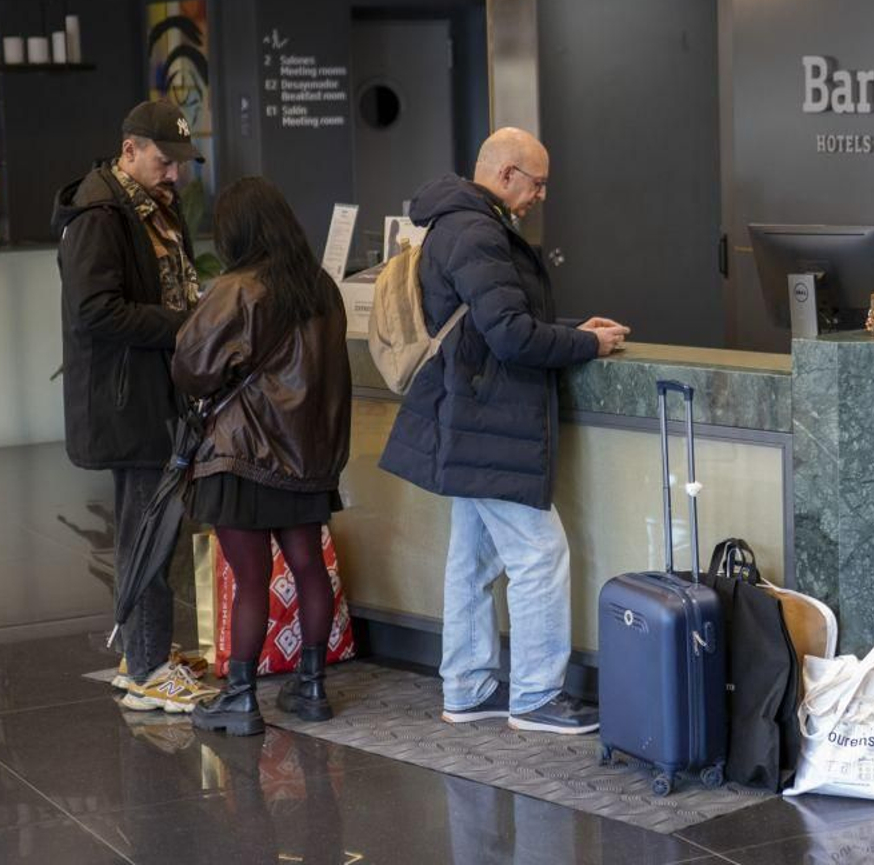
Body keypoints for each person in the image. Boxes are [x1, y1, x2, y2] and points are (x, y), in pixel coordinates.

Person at [379, 127, 629, 735]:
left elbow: (493, 320)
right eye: (538, 182)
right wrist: (585, 344)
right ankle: (539, 696)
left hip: (467, 418)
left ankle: (467, 686)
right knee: (540, 553)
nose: (542, 195)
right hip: (489, 420)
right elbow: (512, 338)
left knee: (473, 558)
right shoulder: (478, 231)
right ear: (507, 173)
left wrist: (571, 328)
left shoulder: (458, 224)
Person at [53, 100, 216, 713]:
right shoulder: (100, 217)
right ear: (128, 151)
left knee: (148, 528)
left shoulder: (150, 208)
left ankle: (145, 654)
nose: (175, 174)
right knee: (150, 532)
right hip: (129, 399)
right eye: (164, 160)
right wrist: (182, 325)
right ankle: (148, 668)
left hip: (154, 391)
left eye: (181, 163)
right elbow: (95, 310)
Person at [174, 177, 352, 737]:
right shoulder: (322, 288)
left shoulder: (236, 289)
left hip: (242, 455)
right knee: (308, 568)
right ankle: (313, 686)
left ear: (238, 231)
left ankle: (241, 698)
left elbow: (191, 368)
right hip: (307, 459)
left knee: (250, 581)